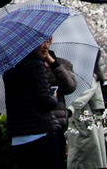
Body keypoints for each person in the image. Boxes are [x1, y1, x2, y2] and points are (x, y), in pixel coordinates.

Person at [3, 40, 60, 169]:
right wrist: (54, 98)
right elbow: (45, 101)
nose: (46, 46)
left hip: (18, 139)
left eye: (47, 41)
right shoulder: (36, 65)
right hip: (41, 133)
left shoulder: (9, 69)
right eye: (41, 42)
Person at [39, 39, 77, 169]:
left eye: (47, 40)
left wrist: (52, 62)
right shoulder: (29, 65)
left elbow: (70, 87)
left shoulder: (62, 64)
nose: (44, 44)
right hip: (38, 126)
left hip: (58, 124)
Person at [66, 63, 107, 169]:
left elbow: (78, 101)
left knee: (86, 161)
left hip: (86, 126)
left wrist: (66, 109)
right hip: (79, 126)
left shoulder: (89, 77)